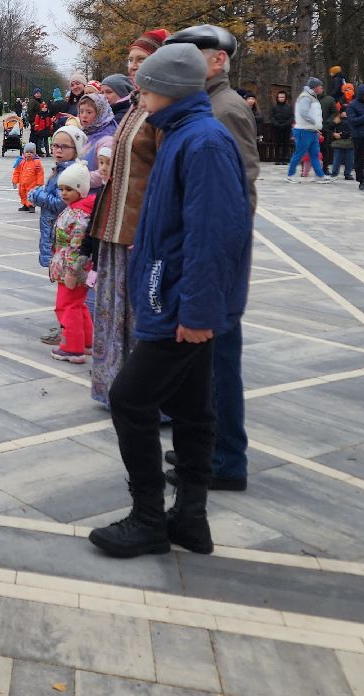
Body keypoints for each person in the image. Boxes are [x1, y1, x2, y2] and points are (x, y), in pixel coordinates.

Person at [89, 42, 252, 559]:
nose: (140, 95)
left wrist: (199, 313)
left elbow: (215, 235)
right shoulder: (181, 132)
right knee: (191, 407)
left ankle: (148, 518)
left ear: (166, 90)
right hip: (174, 295)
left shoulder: (201, 142)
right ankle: (191, 518)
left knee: (130, 399)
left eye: (145, 87)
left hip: (183, 305)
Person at [160, 24, 257, 492]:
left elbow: (237, 195)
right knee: (203, 366)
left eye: (191, 55)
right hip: (204, 257)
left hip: (216, 262)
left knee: (219, 364)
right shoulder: (205, 106)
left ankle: (225, 458)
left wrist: (216, 269)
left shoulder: (226, 109)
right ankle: (205, 445)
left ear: (216, 61)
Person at [86, 27, 166, 388]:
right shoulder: (137, 103)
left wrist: (151, 228)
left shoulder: (162, 107)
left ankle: (143, 392)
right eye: (131, 60)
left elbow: (164, 174)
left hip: (139, 229)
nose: (133, 67)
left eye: (142, 60)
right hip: (115, 225)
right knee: (114, 309)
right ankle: (115, 385)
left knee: (139, 313)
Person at [49, 161, 96, 365]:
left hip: (72, 269)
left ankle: (72, 348)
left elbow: (77, 247)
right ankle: (86, 343)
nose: (64, 193)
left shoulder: (78, 214)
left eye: (69, 189)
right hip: (73, 267)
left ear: (81, 190)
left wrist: (71, 271)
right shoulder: (76, 209)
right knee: (78, 305)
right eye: (61, 189)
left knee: (66, 306)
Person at [31, 123, 87, 272]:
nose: (58, 150)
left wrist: (37, 195)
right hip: (53, 229)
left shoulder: (69, 172)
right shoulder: (60, 168)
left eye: (64, 147)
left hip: (62, 233)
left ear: (76, 149)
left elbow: (60, 203)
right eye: (55, 145)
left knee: (62, 272)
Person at [286, 77, 328, 182]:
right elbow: (304, 113)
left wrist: (316, 128)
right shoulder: (305, 97)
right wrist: (315, 123)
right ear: (315, 87)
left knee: (315, 154)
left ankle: (321, 176)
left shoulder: (311, 97)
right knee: (299, 154)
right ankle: (290, 175)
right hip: (304, 131)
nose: (322, 88)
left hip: (311, 131)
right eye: (320, 86)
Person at [77, 92, 117, 184]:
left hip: (96, 195)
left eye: (89, 112)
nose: (84, 115)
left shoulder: (107, 138)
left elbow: (104, 173)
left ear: (100, 113)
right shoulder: (86, 133)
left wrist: (75, 179)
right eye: (81, 111)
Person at [12, 142, 45, 211]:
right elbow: (16, 172)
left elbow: (40, 173)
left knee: (31, 195)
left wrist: (40, 183)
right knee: (22, 193)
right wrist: (14, 181)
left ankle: (31, 206)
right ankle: (25, 204)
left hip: (32, 183)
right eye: (27, 152)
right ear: (24, 153)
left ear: (34, 153)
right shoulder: (21, 162)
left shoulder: (36, 162)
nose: (29, 154)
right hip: (22, 183)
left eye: (31, 152)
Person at [268, 90, 294, 165]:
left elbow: (291, 117)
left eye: (283, 97)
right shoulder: (274, 107)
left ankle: (285, 159)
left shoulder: (289, 107)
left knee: (286, 143)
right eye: (280, 97)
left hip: (286, 128)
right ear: (277, 98)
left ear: (285, 98)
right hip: (276, 128)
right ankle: (277, 159)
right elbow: (271, 116)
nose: (281, 98)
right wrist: (276, 124)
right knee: (277, 143)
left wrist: (285, 124)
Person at [329, 106, 354, 180]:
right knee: (337, 159)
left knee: (349, 159)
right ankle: (334, 173)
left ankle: (347, 174)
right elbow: (329, 128)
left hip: (350, 141)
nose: (346, 113)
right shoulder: (337, 119)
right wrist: (333, 134)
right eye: (344, 111)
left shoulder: (352, 119)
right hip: (339, 142)